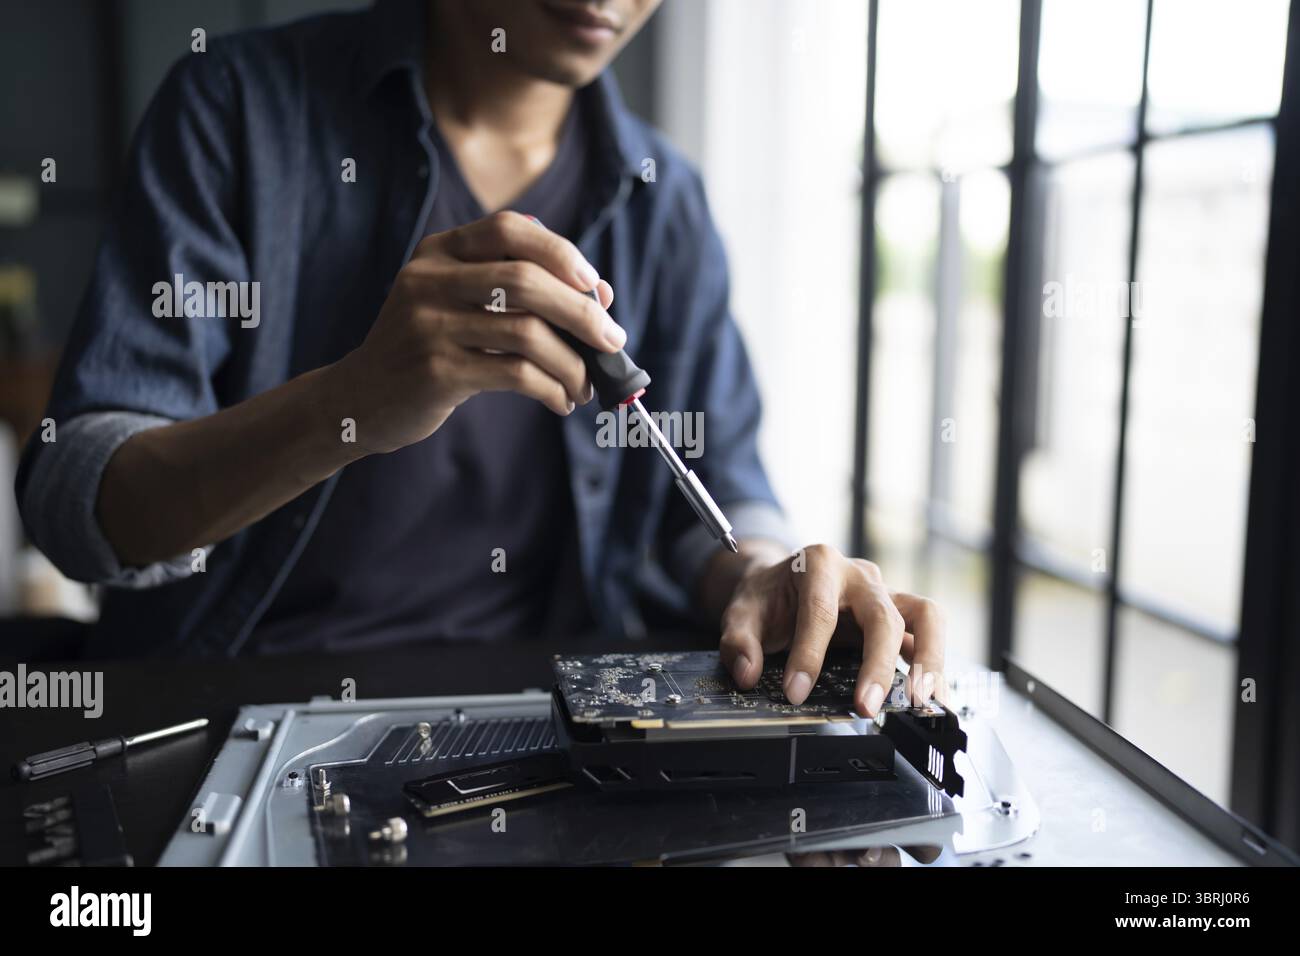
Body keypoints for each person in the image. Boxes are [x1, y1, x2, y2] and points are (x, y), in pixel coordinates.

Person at [16, 0, 944, 717]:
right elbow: (77, 503)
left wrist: (763, 576)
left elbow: (714, 495)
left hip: (550, 732)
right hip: (240, 713)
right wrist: (352, 402)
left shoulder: (670, 204)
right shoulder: (236, 110)